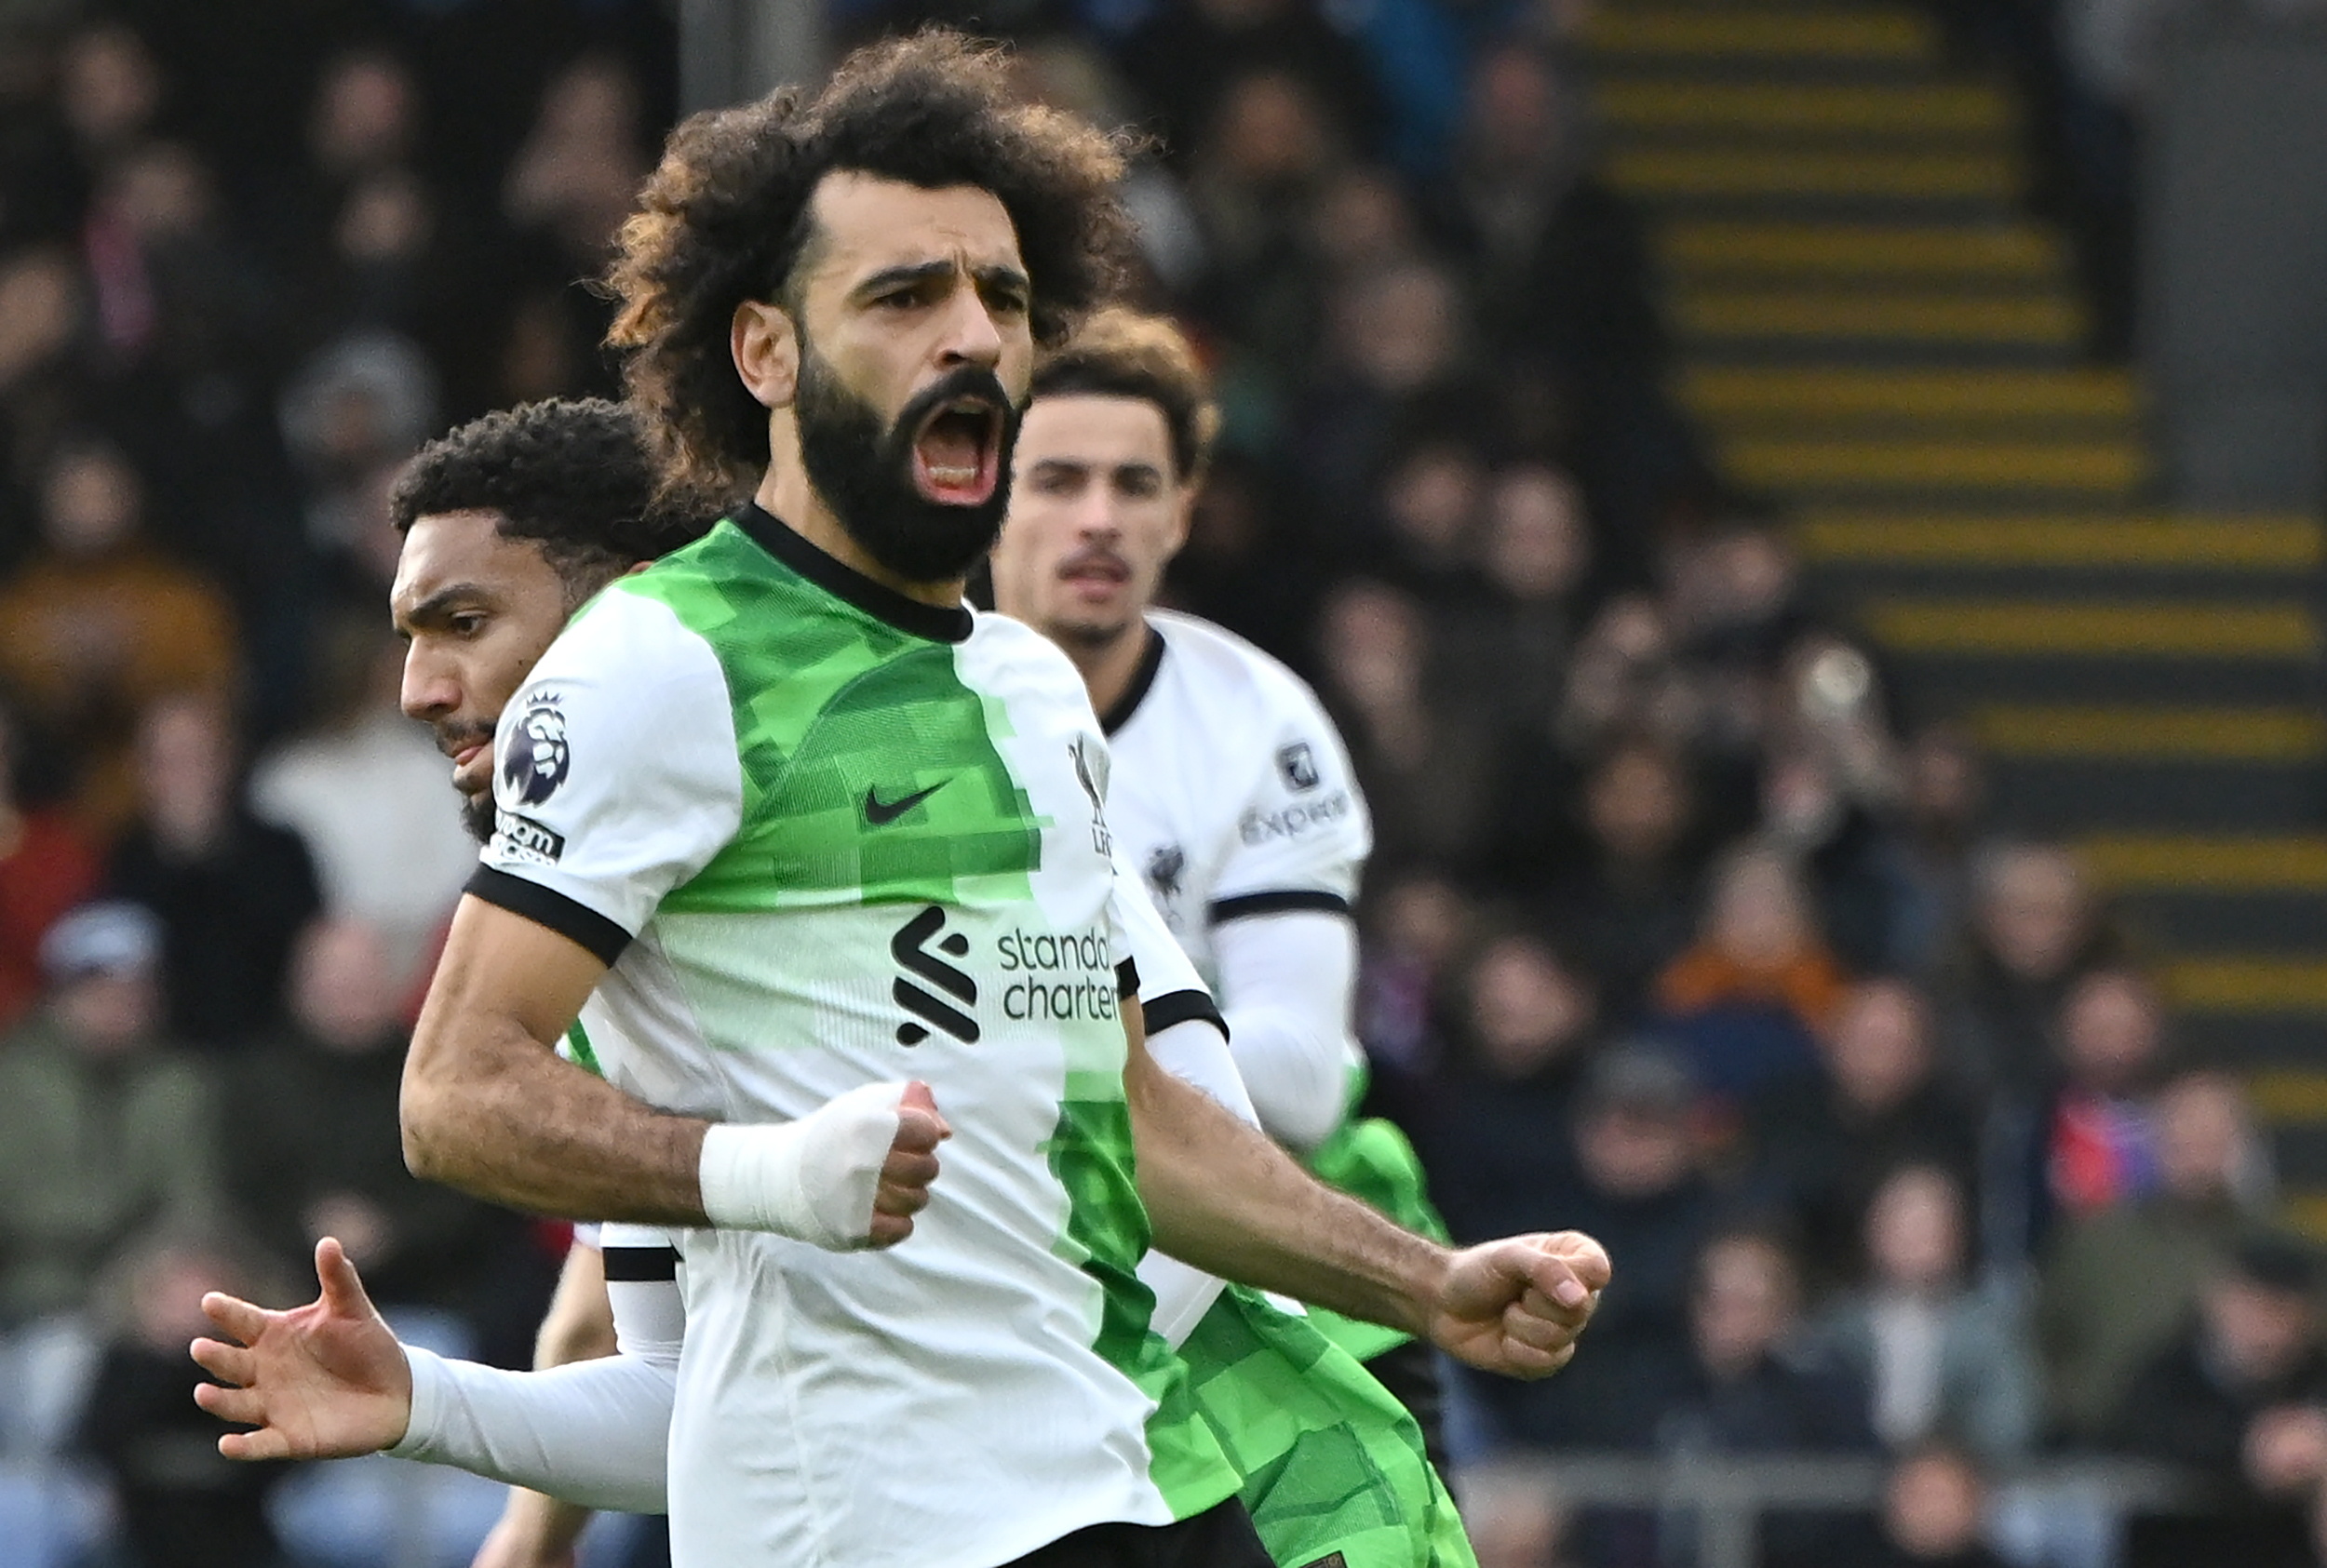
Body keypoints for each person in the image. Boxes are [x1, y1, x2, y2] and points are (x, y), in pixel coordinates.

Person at [204, 35, 1606, 1568]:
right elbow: (454, 1090)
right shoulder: (662, 663)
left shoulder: (1024, 689)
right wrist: (767, 1177)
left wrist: (1423, 1280)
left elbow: (1134, 1122)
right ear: (764, 353)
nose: (973, 337)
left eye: (1001, 298)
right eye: (901, 296)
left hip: (1108, 1499)